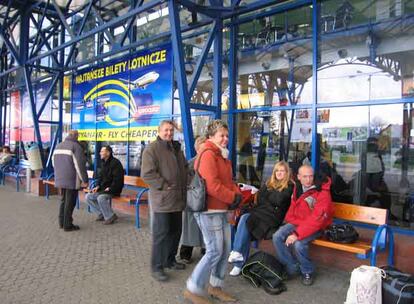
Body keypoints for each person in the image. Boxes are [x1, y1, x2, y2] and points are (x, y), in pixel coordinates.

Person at [184, 120, 243, 304]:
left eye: (227, 135)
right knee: (214, 251)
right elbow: (212, 186)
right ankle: (193, 288)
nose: (225, 139)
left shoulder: (222, 156)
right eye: (221, 136)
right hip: (209, 210)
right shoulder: (209, 154)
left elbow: (229, 182)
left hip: (222, 209)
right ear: (211, 137)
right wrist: (233, 198)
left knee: (224, 251)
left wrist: (237, 193)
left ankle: (215, 287)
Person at [228, 161, 294, 276]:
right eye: (277, 170)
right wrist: (271, 198)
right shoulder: (269, 183)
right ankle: (237, 256)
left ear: (287, 173)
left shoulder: (289, 185)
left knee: (247, 223)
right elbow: (261, 200)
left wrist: (269, 196)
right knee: (245, 219)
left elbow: (278, 200)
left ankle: (238, 260)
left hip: (273, 218)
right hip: (261, 214)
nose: (279, 173)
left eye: (282, 171)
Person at [141, 120, 187, 282]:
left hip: (177, 198)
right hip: (162, 200)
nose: (169, 133)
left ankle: (170, 260)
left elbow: (184, 169)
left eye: (171, 130)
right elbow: (147, 174)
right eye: (166, 130)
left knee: (175, 232)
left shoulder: (176, 148)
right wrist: (164, 186)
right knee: (161, 235)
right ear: (159, 131)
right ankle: (157, 267)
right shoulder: (152, 149)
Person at [272, 165, 333, 286]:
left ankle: (307, 270)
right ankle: (292, 266)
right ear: (299, 177)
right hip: (299, 222)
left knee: (299, 244)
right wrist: (289, 220)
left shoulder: (322, 191)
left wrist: (296, 234)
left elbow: (317, 220)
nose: (308, 179)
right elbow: (294, 206)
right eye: (305, 176)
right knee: (277, 236)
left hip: (317, 226)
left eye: (311, 176)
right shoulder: (298, 187)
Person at [52, 130, 89, 232]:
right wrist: (84, 180)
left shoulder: (59, 146)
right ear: (76, 136)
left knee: (63, 200)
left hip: (60, 178)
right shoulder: (76, 147)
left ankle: (61, 222)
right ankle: (68, 225)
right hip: (72, 179)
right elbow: (80, 166)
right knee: (70, 202)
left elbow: (53, 162)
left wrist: (60, 173)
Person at [179, 136, 207, 264]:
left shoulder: (211, 162)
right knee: (190, 227)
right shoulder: (190, 164)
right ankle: (185, 254)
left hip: (207, 200)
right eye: (201, 148)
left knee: (205, 228)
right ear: (196, 149)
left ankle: (205, 251)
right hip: (193, 200)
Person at [85, 145, 124, 225]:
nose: (100, 153)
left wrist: (110, 188)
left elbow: (118, 180)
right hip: (103, 189)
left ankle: (110, 216)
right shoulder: (103, 163)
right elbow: (100, 177)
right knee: (88, 196)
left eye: (102, 151)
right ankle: (101, 213)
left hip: (114, 190)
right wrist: (98, 186)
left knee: (101, 198)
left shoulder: (116, 163)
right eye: (100, 151)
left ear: (108, 153)